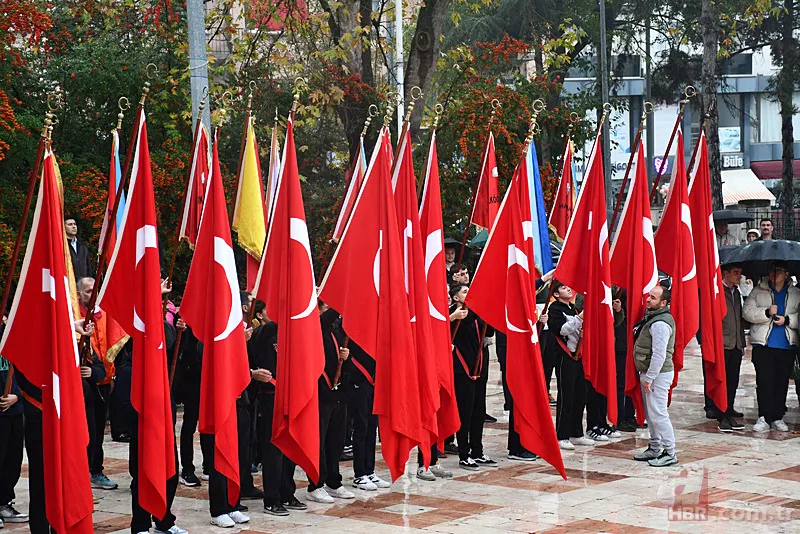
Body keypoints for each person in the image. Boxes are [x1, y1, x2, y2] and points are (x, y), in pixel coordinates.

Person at [248, 319, 306, 516]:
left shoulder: (292, 332)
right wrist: (282, 311)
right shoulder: (262, 333)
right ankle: (271, 499)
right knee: (273, 450)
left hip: (292, 396)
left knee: (290, 447)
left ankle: (287, 493)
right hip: (270, 398)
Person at [306, 304, 357, 502]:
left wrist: (346, 356)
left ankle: (333, 481)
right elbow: (324, 321)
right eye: (326, 307)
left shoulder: (336, 329)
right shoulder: (315, 326)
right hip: (321, 392)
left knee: (336, 440)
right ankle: (315, 484)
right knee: (320, 441)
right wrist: (342, 300)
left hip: (339, 392)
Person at [77, 277, 122, 491]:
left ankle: (96, 470)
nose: (92, 294)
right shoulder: (73, 316)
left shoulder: (104, 315)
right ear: (78, 294)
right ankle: (82, 472)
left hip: (102, 378)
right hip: (81, 385)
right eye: (87, 291)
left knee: (97, 431)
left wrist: (107, 375)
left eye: (94, 290)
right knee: (86, 432)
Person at [743, 261, 799, 432]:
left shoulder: (796, 293)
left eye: (780, 271)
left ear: (787, 274)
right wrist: (766, 312)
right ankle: (764, 416)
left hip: (786, 345)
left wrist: (788, 320)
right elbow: (747, 312)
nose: (775, 274)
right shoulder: (758, 291)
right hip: (764, 345)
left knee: (781, 382)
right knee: (764, 381)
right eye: (773, 270)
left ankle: (777, 416)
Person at [450, 283, 496, 470]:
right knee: (465, 412)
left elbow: (489, 331)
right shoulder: (455, 314)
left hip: (479, 367)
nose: (468, 294)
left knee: (479, 411)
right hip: (463, 369)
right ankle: (464, 453)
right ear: (455, 298)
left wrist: (488, 311)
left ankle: (478, 450)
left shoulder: (475, 312)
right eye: (464, 292)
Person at [632, 286, 678, 467]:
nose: (648, 300)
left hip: (658, 374)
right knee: (651, 414)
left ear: (663, 303)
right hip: (650, 373)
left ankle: (670, 452)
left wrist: (649, 378)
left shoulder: (660, 323)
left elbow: (659, 354)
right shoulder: (652, 317)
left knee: (658, 413)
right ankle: (655, 447)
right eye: (649, 296)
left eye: (653, 297)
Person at [547, 281, 594, 451]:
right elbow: (562, 330)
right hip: (564, 356)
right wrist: (579, 318)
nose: (568, 289)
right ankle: (562, 435)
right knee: (566, 396)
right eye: (563, 288)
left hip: (578, 355)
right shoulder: (555, 309)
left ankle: (577, 433)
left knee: (580, 395)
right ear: (556, 294)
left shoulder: (572, 308)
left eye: (568, 287)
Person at [342, 336, 390, 490]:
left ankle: (369, 471)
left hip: (373, 382)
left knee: (371, 428)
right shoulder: (352, 330)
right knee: (361, 428)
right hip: (358, 381)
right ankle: (359, 474)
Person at [712, 263, 747, 432]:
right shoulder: (718, 291)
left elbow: (739, 319)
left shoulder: (737, 292)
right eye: (736, 272)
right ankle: (721, 414)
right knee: (722, 380)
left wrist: (742, 342)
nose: (739, 276)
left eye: (740, 273)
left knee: (733, 379)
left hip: (736, 343)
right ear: (726, 273)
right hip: (723, 343)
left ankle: (729, 408)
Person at [0, 316, 28, 526]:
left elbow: (24, 370)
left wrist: (17, 396)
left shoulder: (12, 335)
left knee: (12, 460)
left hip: (14, 410)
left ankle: (4, 502)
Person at [612, 287, 637, 432]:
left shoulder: (629, 288)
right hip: (619, 343)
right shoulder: (612, 290)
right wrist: (618, 311)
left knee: (631, 381)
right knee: (620, 383)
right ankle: (619, 417)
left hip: (631, 342)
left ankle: (630, 415)